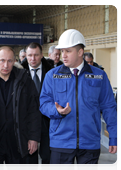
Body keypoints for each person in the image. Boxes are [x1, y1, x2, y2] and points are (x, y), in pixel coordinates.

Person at [40, 29, 119, 170]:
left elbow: (109, 107)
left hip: (90, 142)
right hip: (61, 142)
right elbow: (44, 103)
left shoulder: (99, 76)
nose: (63, 55)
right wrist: (56, 110)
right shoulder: (52, 76)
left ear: (80, 52)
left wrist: (114, 136)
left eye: (68, 51)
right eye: (62, 51)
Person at [21, 42, 53, 170]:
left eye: (36, 55)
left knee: (48, 157)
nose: (32, 59)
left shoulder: (51, 72)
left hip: (47, 121)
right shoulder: (18, 72)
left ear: (41, 55)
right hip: (26, 122)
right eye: (29, 55)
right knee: (29, 159)